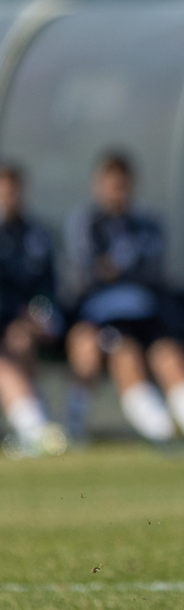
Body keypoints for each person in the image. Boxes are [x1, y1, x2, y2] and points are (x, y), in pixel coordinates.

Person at [64, 152, 184, 446]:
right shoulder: (87, 225)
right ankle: (160, 429)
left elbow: (154, 273)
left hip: (146, 312)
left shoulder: (148, 225)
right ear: (99, 186)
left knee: (170, 355)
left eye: (123, 185)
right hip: (105, 315)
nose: (118, 192)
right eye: (112, 185)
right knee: (125, 355)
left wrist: (117, 269)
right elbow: (89, 272)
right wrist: (119, 270)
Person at [0, 164, 66, 457]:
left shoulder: (37, 234)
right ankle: (37, 429)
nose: (8, 195)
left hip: (19, 325)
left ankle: (36, 431)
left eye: (12, 188)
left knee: (19, 343)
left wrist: (39, 316)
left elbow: (46, 291)